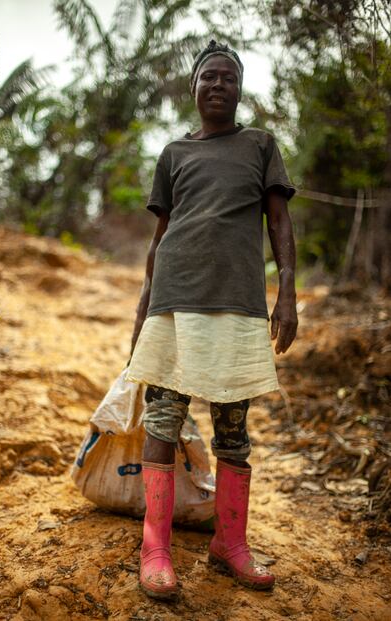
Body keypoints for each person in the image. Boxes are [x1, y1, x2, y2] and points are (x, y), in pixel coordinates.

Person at [127, 39, 298, 600]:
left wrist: (288, 293)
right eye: (208, 77)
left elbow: (278, 223)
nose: (218, 84)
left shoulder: (260, 146)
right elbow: (160, 238)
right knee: (162, 422)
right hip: (174, 303)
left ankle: (230, 543)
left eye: (228, 77)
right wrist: (143, 306)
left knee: (233, 430)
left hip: (237, 304)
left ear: (240, 88)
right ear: (194, 88)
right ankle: (156, 551)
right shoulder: (174, 153)